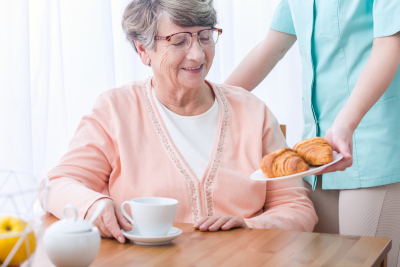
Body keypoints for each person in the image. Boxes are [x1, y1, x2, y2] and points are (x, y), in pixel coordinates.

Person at [40, 0, 317, 244]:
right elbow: (57, 184)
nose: (197, 54)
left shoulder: (253, 112)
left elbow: (296, 208)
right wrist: (94, 205)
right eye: (179, 40)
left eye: (205, 36)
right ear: (143, 50)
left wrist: (250, 226)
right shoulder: (115, 110)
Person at [225, 0, 400, 266]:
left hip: (374, 146)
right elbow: (271, 47)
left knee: (363, 261)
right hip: (317, 158)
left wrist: (345, 124)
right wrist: (214, 101)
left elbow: (390, 44)